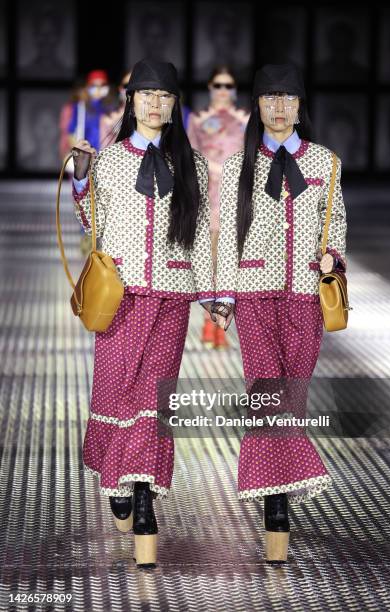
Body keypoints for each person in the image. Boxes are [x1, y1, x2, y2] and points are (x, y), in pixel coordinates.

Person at [70, 59, 215, 568]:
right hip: (121, 295)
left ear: (175, 105)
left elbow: (198, 237)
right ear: (131, 101)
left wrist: (212, 294)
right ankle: (117, 473)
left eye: (165, 95)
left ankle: (145, 497)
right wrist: (83, 181)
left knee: (155, 400)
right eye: (145, 94)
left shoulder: (190, 166)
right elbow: (92, 225)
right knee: (115, 391)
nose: (155, 103)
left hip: (172, 295)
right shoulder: (109, 161)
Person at [212, 64, 347, 563]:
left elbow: (338, 224)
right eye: (269, 98)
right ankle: (277, 504)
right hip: (253, 290)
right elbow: (226, 238)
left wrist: (334, 255)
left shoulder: (325, 163)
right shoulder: (239, 165)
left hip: (305, 293)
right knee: (267, 390)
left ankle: (277, 488)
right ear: (257, 106)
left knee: (293, 391)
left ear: (300, 106)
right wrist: (223, 297)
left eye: (288, 98)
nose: (279, 107)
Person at [188, 66, 249, 348]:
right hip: (206, 198)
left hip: (236, 198)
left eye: (228, 85)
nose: (223, 91)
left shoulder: (246, 120)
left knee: (232, 260)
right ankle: (208, 322)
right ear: (210, 88)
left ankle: (223, 324)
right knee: (208, 260)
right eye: (218, 85)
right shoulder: (199, 120)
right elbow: (189, 158)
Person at [68, 69, 118, 255]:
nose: (97, 90)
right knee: (83, 195)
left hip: (107, 160)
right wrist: (80, 152)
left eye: (101, 85)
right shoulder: (81, 107)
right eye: (94, 86)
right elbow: (71, 132)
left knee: (105, 197)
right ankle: (86, 235)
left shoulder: (113, 107)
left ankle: (104, 238)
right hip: (87, 159)